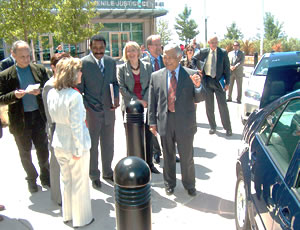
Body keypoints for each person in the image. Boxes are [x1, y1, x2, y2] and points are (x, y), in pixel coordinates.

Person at [148, 43, 205, 196]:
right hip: (165, 121)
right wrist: (152, 122)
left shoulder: (191, 74)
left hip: (185, 123)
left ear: (180, 57)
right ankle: (169, 183)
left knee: (187, 157)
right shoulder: (156, 76)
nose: (167, 60)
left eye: (171, 57)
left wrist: (198, 87)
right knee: (168, 156)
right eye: (165, 56)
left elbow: (199, 98)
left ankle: (189, 184)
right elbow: (152, 101)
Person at [47, 57, 93, 228]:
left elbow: (53, 118)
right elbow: (76, 127)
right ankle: (82, 218)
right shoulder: (74, 96)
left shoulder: (52, 92)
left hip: (59, 142)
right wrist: (78, 150)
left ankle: (67, 215)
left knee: (66, 181)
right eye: (79, 70)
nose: (81, 73)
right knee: (79, 183)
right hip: (74, 145)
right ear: (72, 74)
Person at [0, 40, 50, 193]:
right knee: (25, 152)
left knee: (43, 150)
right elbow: (1, 98)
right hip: (20, 119)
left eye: (28, 56)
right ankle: (31, 178)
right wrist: (14, 95)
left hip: (38, 117)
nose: (26, 59)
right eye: (22, 57)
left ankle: (45, 176)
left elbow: (49, 89)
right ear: (13, 55)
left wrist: (40, 91)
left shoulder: (39, 69)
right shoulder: (5, 76)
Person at [78, 34, 119, 189]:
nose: (98, 51)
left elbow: (115, 82)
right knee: (93, 145)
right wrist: (88, 106)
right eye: (95, 48)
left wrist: (115, 96)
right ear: (90, 48)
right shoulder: (83, 64)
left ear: (105, 47)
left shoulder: (110, 62)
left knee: (108, 144)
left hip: (109, 110)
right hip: (92, 112)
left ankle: (108, 172)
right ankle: (94, 174)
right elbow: (79, 90)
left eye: (101, 48)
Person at [117, 41, 160, 174]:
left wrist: (145, 100)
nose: (131, 53)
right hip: (130, 108)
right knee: (132, 137)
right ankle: (133, 164)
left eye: (133, 50)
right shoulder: (122, 68)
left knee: (148, 135)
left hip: (147, 105)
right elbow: (122, 88)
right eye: (128, 51)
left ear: (138, 52)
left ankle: (149, 164)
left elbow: (151, 84)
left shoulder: (147, 66)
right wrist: (137, 102)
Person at [142, 35, 180, 163]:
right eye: (156, 44)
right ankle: (156, 152)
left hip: (167, 98)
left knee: (169, 127)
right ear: (149, 47)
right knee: (152, 125)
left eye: (160, 44)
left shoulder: (166, 59)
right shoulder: (143, 61)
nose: (159, 47)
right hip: (151, 99)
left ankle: (170, 153)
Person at [42, 52, 70, 205]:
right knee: (56, 164)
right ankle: (57, 196)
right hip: (56, 128)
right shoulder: (49, 86)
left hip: (69, 127)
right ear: (53, 67)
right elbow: (49, 113)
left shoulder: (68, 82)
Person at [193, 36, 232, 136]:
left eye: (216, 42)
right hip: (207, 81)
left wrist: (227, 83)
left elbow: (227, 68)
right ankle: (212, 126)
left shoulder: (223, 53)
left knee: (223, 106)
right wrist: (197, 70)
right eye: (212, 42)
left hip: (219, 82)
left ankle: (228, 128)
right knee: (209, 106)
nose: (214, 44)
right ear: (209, 43)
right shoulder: (204, 52)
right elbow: (194, 59)